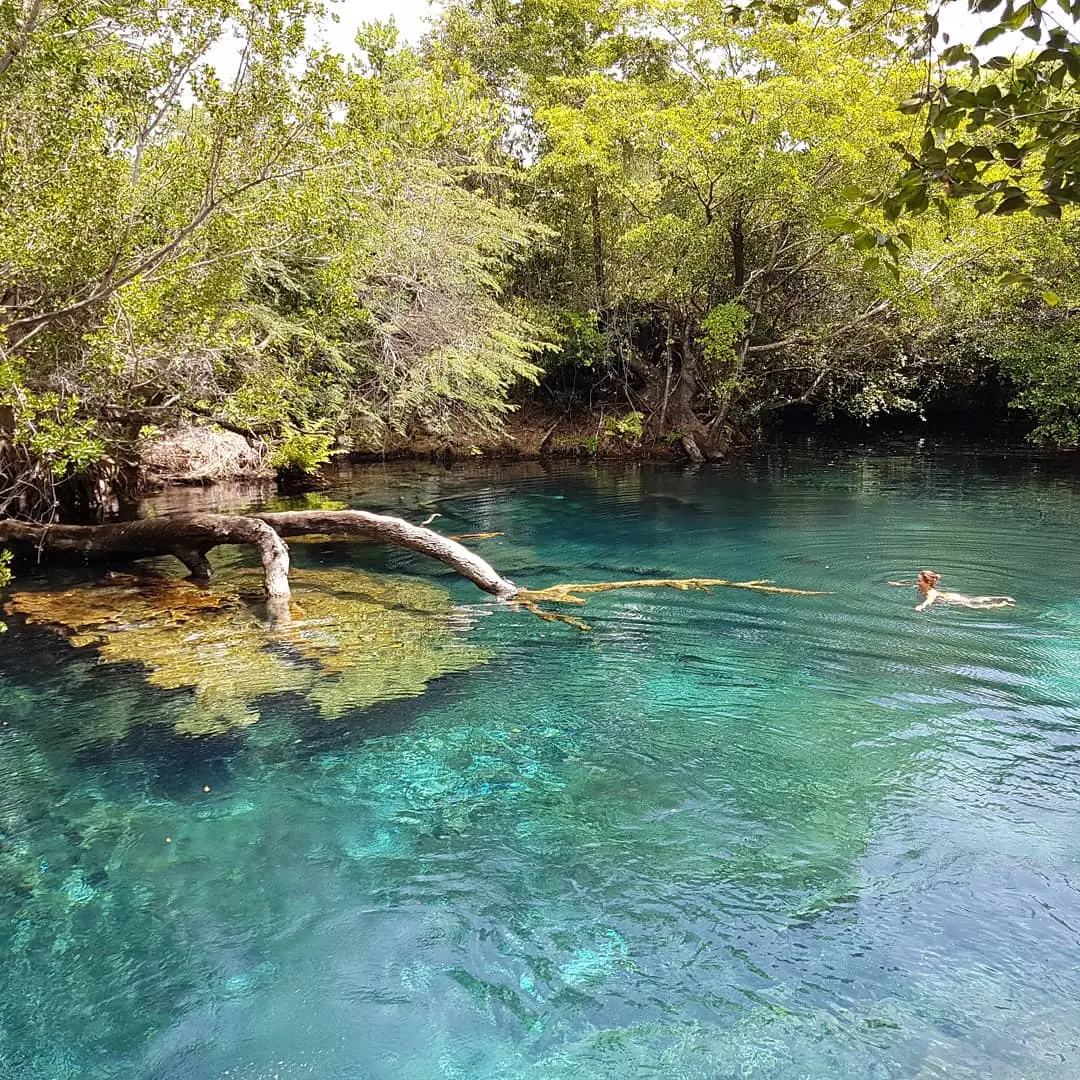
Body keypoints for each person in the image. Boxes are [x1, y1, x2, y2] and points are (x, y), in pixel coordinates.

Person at [887, 570, 1015, 611]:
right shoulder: (921, 587)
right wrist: (897, 584)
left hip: (953, 599)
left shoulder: (931, 592)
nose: (917, 582)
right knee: (977, 599)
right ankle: (1004, 598)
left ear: (927, 583)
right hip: (952, 596)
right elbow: (909, 585)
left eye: (920, 580)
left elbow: (930, 601)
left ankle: (1003, 603)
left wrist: (921, 606)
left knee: (976, 605)